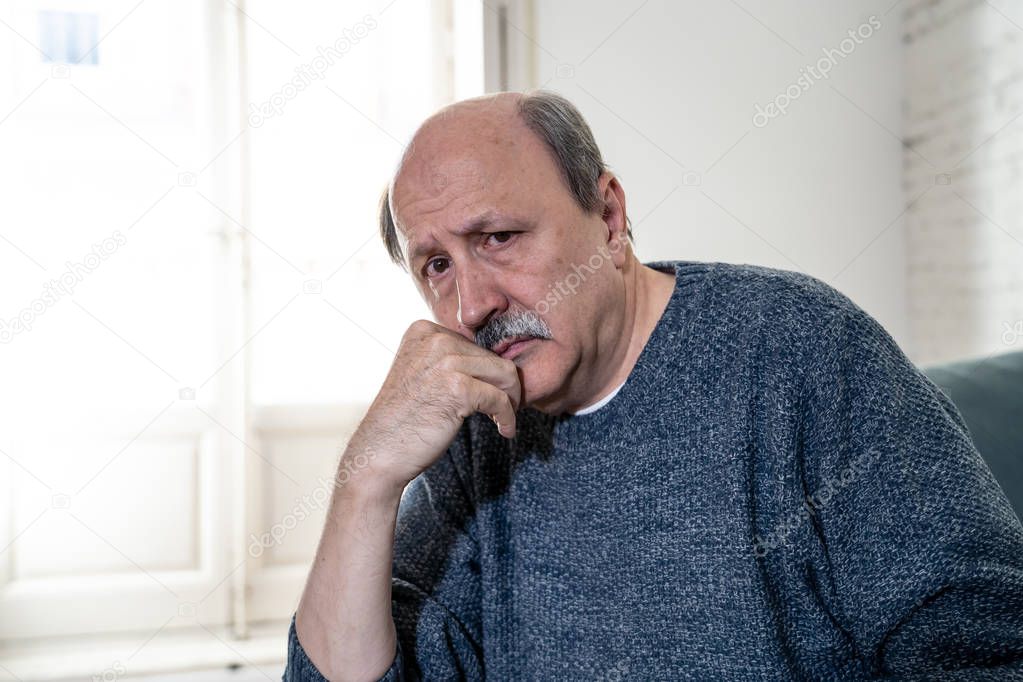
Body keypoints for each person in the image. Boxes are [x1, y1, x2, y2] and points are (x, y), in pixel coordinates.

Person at [283, 90, 1023, 681]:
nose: (472, 304)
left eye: (498, 238)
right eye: (436, 266)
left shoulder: (801, 346)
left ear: (608, 218)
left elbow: (986, 648)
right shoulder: (468, 425)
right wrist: (364, 479)